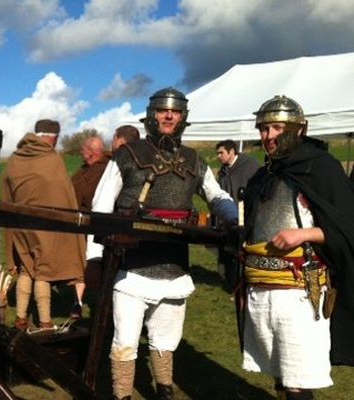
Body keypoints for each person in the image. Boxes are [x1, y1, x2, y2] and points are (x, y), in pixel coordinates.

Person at [91, 88, 237, 400]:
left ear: (184, 117)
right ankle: (122, 395)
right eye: (162, 110)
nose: (169, 116)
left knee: (165, 341)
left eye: (175, 112)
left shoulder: (194, 160)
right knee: (126, 342)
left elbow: (217, 195)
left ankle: (164, 392)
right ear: (152, 115)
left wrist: (232, 217)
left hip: (174, 268)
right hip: (131, 269)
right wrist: (93, 258)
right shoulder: (128, 155)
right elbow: (100, 207)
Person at [240, 95, 354, 399]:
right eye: (264, 129)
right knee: (279, 375)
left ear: (299, 129)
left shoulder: (322, 168)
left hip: (301, 292)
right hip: (262, 288)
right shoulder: (264, 174)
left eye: (277, 127)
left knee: (297, 379)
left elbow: (348, 229)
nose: (269, 136)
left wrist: (304, 234)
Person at [2, 119, 86, 331]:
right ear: (54, 138)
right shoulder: (51, 158)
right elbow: (63, 194)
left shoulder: (15, 158)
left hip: (20, 222)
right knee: (43, 272)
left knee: (25, 269)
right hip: (46, 225)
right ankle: (45, 321)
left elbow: (7, 192)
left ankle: (21, 318)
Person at [71, 135, 111, 211]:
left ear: (90, 152)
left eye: (83, 150)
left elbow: (88, 196)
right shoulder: (83, 168)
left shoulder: (105, 169)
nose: (81, 152)